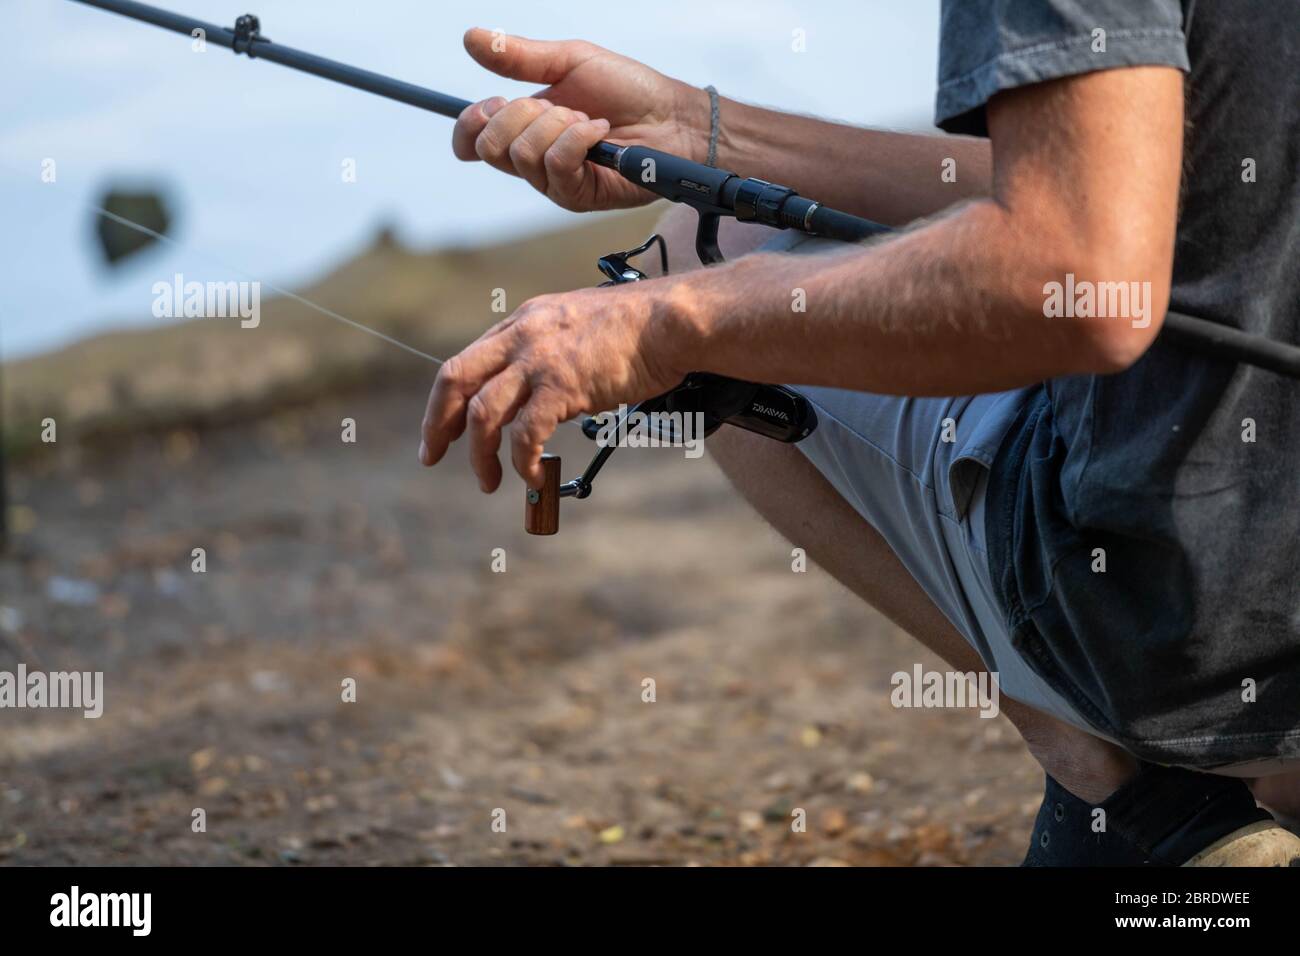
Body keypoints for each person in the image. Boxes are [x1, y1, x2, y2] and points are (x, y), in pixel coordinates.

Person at [419, 1, 1300, 865]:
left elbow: (1069, 277)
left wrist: (665, 324)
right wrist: (697, 128)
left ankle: (1124, 785)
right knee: (711, 221)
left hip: (1202, 638)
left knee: (698, 250)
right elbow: (1120, 183)